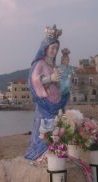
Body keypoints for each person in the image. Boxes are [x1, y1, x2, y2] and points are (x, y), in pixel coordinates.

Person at [24, 25, 70, 160]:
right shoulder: (40, 64)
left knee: (57, 127)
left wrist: (62, 82)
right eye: (52, 48)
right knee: (45, 127)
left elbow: (59, 80)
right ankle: (41, 154)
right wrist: (50, 78)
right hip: (45, 104)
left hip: (56, 102)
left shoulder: (53, 65)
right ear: (46, 48)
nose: (54, 51)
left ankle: (56, 151)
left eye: (56, 48)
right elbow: (34, 79)